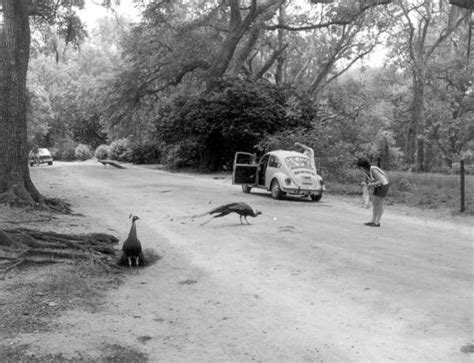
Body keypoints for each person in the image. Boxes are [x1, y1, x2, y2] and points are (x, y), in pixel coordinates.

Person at [356, 158, 390, 227]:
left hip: (383, 185)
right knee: (375, 203)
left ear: (362, 167)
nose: (359, 169)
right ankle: (373, 221)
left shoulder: (373, 170)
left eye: (359, 167)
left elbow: (381, 180)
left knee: (378, 203)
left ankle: (377, 222)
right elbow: (368, 180)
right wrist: (366, 183)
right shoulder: (366, 171)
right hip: (378, 186)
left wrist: (371, 185)